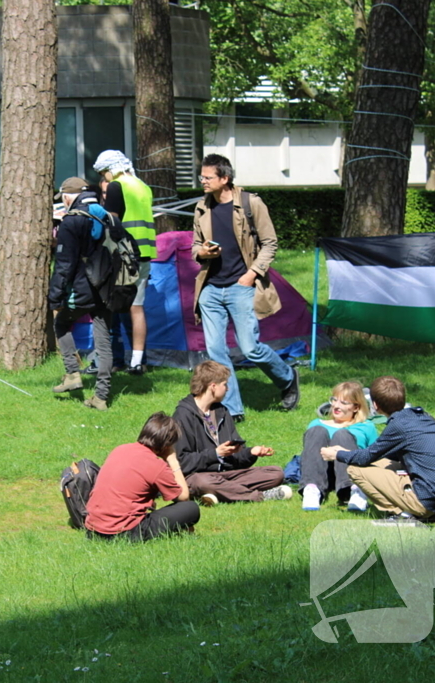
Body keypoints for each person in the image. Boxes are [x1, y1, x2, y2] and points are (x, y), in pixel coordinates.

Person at [192, 154, 299, 421]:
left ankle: (287, 378)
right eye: (201, 176)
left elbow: (270, 243)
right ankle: (232, 409)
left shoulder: (252, 203)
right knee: (217, 353)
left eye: (208, 177)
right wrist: (203, 252)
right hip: (210, 289)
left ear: (224, 179)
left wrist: (251, 274)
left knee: (250, 348)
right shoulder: (201, 207)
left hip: (242, 285)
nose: (202, 181)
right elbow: (195, 245)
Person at [321, 376, 435, 522]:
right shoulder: (422, 416)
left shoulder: (399, 425)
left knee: (354, 469)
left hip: (426, 503)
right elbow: (381, 455)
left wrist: (337, 454)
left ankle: (402, 514)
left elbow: (364, 458)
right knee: (383, 462)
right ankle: (411, 509)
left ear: (375, 405)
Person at [172, 360, 293, 506]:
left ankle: (220, 493)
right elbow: (182, 462)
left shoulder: (221, 411)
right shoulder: (182, 415)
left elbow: (236, 460)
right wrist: (215, 454)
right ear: (213, 386)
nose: (227, 389)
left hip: (228, 474)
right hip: (198, 475)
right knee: (202, 482)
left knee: (276, 473)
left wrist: (251, 453)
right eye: (225, 384)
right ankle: (260, 496)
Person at [49, 177, 118, 411]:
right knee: (103, 341)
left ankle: (72, 374)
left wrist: (55, 295)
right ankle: (101, 397)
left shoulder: (72, 221)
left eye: (64, 198)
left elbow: (64, 264)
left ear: (69, 196)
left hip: (81, 289)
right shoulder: (108, 216)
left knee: (61, 323)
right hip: (108, 289)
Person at [85, 412, 199, 542]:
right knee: (190, 508)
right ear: (167, 446)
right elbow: (183, 497)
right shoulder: (156, 465)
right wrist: (173, 460)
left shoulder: (120, 449)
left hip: (92, 529)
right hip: (122, 533)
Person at [93, 150, 156, 375]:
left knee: (112, 306)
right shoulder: (143, 186)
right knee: (137, 308)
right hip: (145, 252)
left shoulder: (116, 186)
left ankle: (109, 358)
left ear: (110, 169)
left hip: (123, 253)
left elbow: (112, 221)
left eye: (103, 172)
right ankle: (138, 361)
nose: (104, 177)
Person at [298, 381, 379, 511]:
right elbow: (309, 454)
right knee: (317, 431)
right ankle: (312, 489)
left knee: (342, 435)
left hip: (351, 472)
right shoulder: (316, 424)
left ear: (356, 407)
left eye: (344, 403)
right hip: (323, 472)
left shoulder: (366, 426)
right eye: (334, 400)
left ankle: (354, 491)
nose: (336, 405)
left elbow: (375, 455)